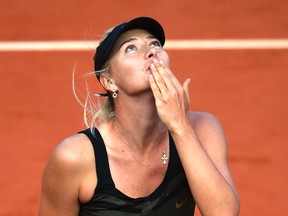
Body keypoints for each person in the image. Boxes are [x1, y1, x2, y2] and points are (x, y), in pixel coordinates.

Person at [39, 17, 240, 215]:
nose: (151, 51)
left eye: (155, 43)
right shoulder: (74, 158)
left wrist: (181, 128)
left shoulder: (203, 127)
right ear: (109, 81)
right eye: (131, 48)